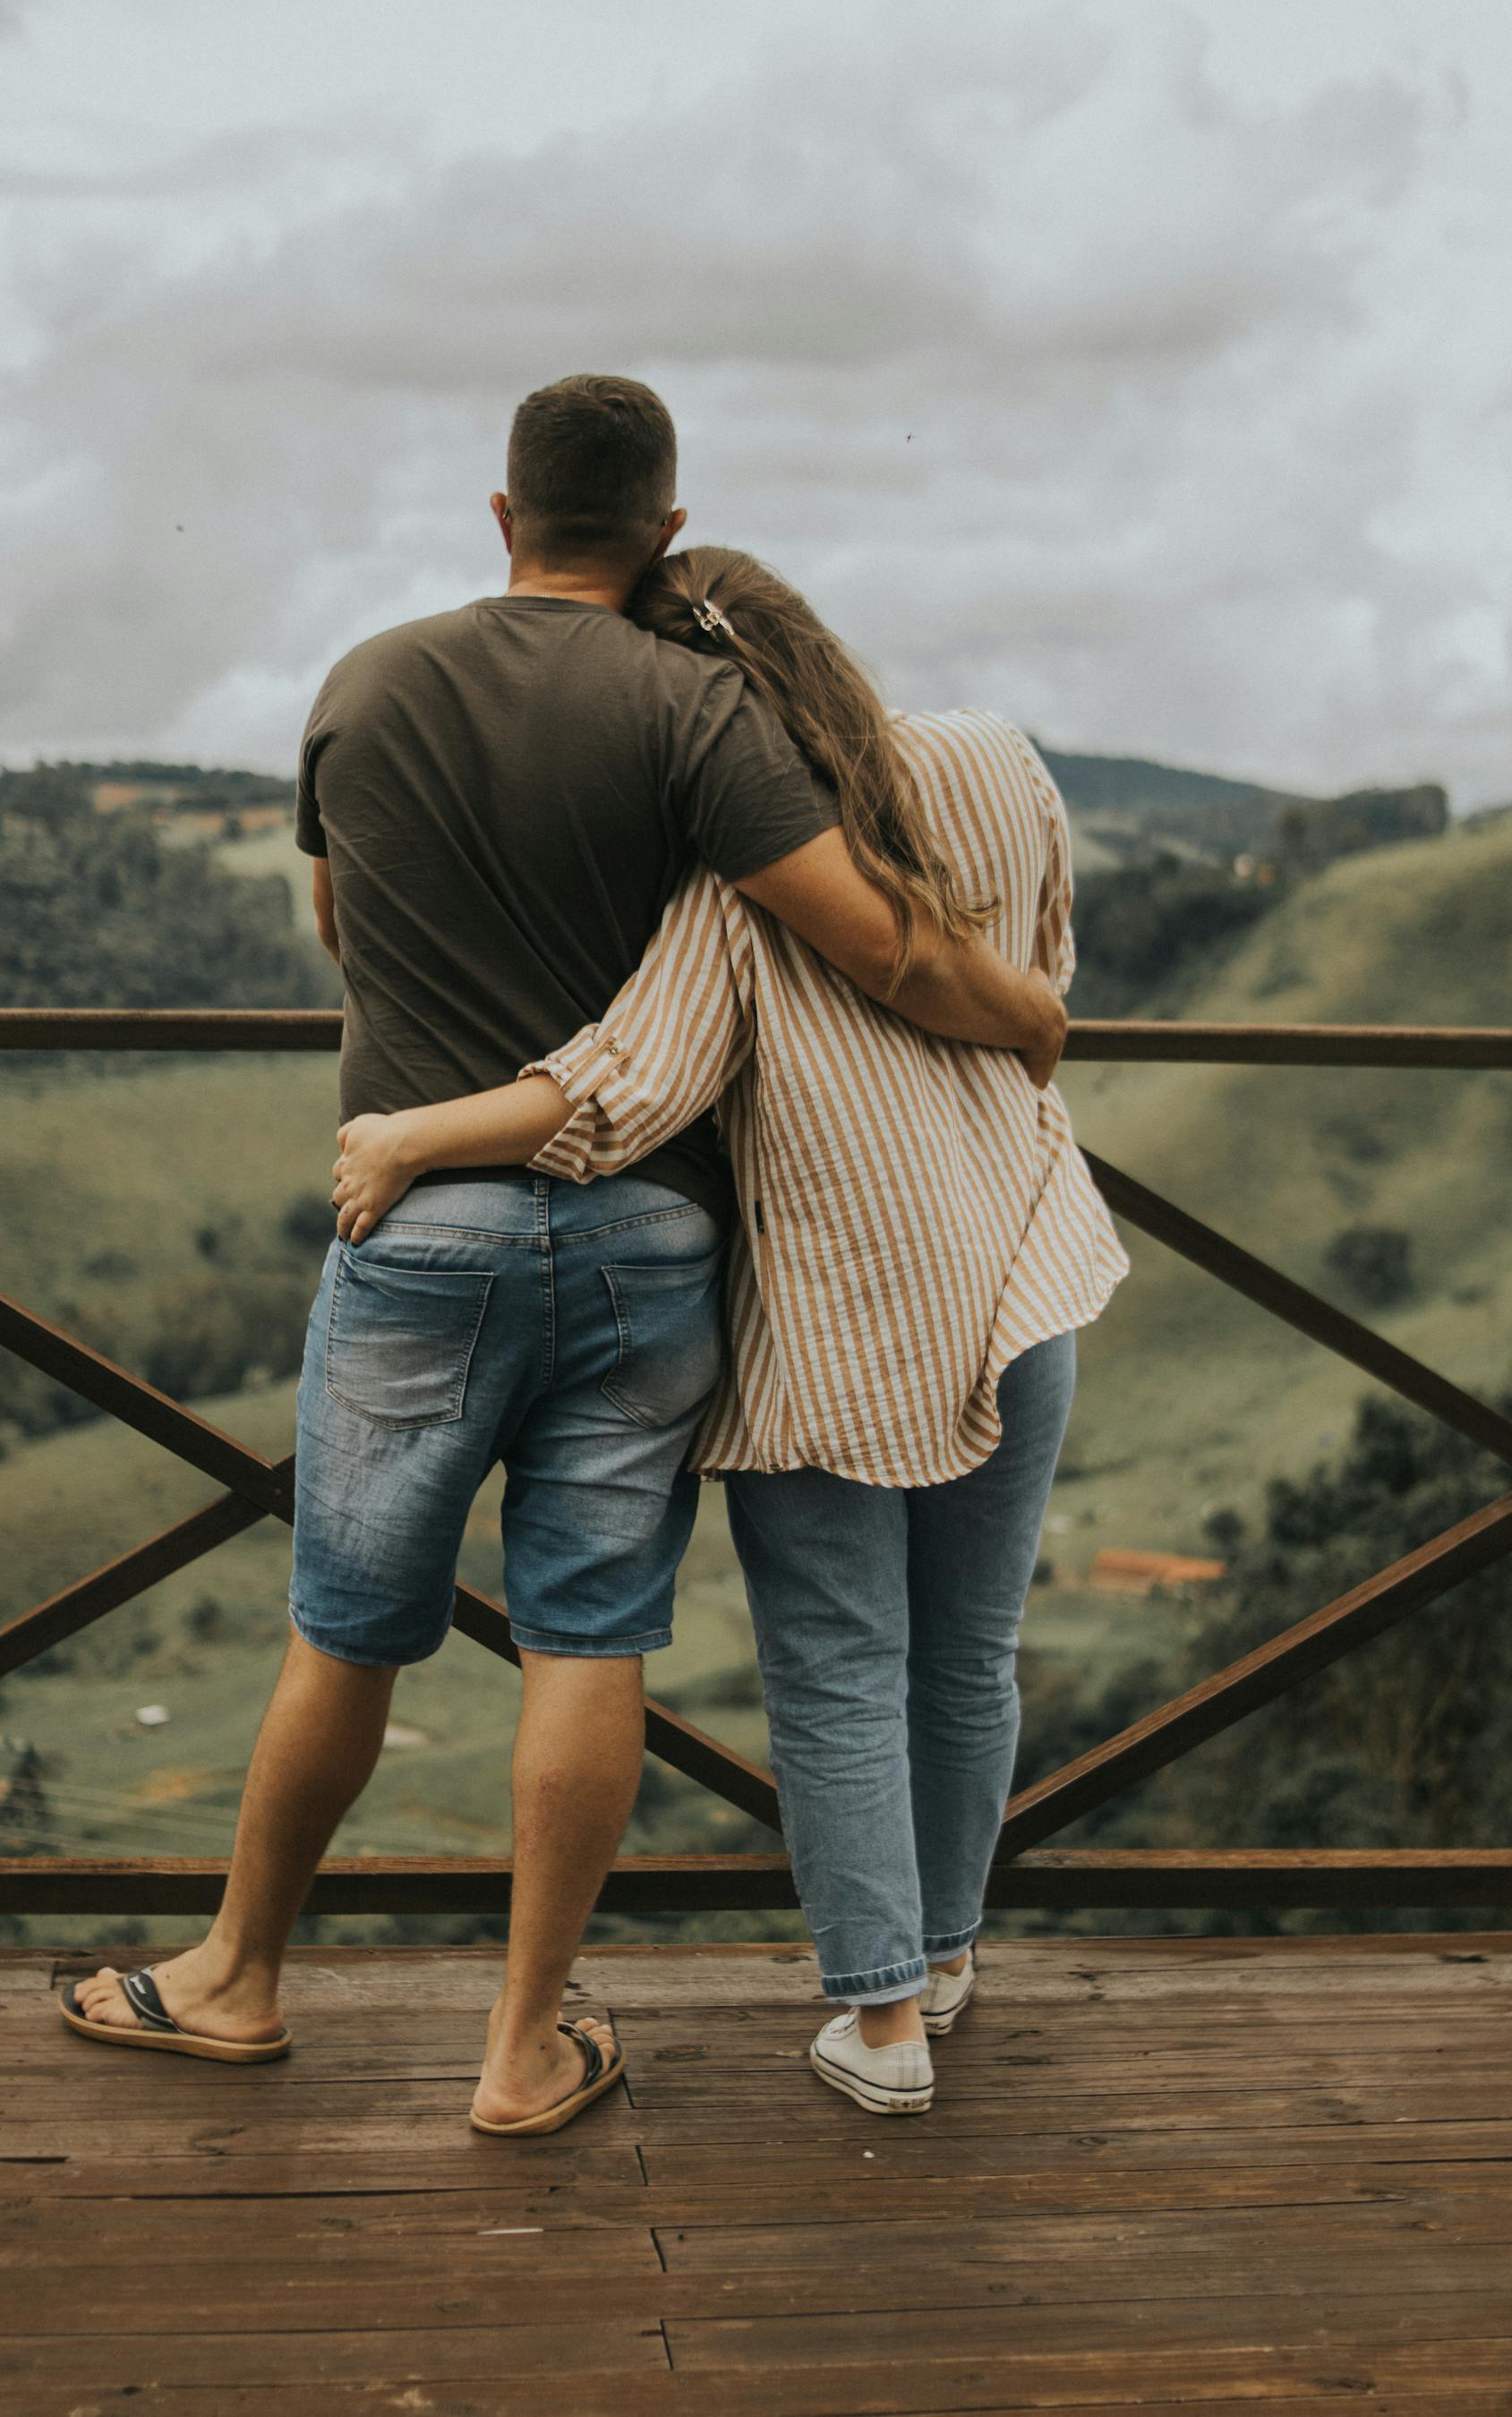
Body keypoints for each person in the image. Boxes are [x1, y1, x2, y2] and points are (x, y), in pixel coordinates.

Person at [59, 381, 1068, 2135]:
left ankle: (235, 1981)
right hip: (649, 1240)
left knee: (343, 1630)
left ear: (503, 510)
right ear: (666, 528)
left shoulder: (366, 680)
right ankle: (525, 2050)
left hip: (421, 1223)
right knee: (589, 1642)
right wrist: (1028, 1015)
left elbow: (339, 924)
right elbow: (870, 943)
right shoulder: (699, 707)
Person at [329, 545, 1130, 2117]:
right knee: (970, 1655)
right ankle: (950, 1959)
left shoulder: (737, 887)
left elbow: (615, 1084)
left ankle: (885, 2023)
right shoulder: (997, 761)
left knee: (840, 1664)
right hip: (1026, 1264)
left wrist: (414, 1137)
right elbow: (1044, 970)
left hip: (841, 1313)